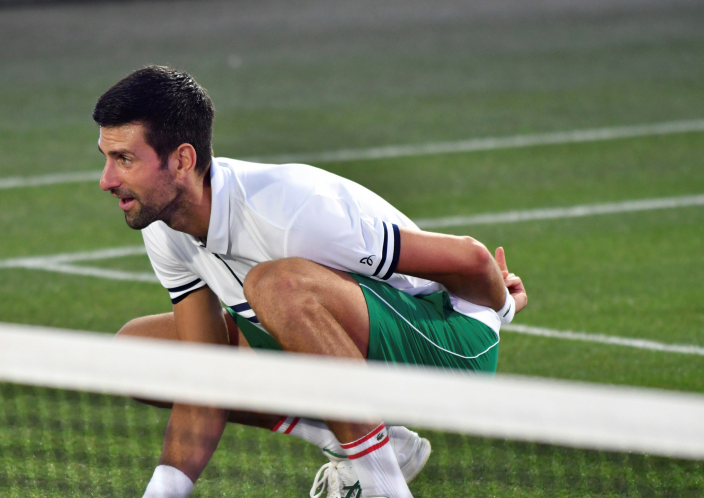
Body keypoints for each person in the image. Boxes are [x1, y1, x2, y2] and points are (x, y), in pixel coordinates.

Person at [93, 65, 528, 498]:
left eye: (124, 160)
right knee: (139, 352)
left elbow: (469, 257)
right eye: (106, 158)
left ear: (183, 160)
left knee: (275, 286)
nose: (106, 181)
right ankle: (363, 442)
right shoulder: (163, 227)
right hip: (352, 339)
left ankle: (384, 485)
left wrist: (503, 307)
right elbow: (205, 375)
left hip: (451, 347)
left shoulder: (295, 210)